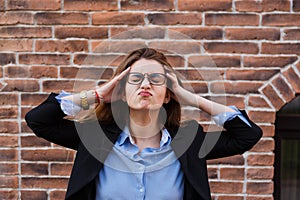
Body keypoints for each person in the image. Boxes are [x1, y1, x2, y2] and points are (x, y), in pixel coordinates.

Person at [25, 48, 262, 200]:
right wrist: (97, 95)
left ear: (168, 95)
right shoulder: (94, 136)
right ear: (121, 92)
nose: (145, 85)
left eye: (156, 80)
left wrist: (191, 98)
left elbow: (247, 135)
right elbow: (39, 120)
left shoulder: (189, 140)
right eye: (135, 79)